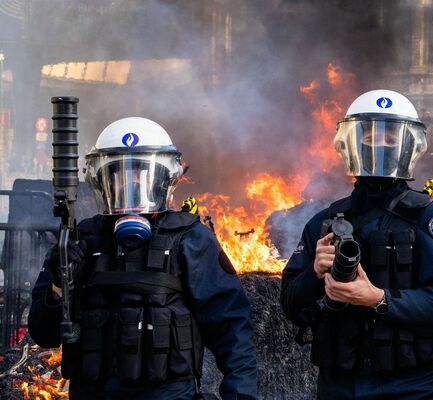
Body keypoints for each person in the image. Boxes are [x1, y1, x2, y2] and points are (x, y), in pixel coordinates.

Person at [28, 117, 259, 400]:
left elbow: (231, 327)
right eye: (120, 173)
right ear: (103, 181)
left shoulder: (190, 238)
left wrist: (240, 395)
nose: (132, 182)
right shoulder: (79, 241)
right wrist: (58, 284)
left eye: (141, 171)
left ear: (164, 179)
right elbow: (43, 334)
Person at [281, 89, 433, 399]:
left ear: (409, 145)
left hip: (413, 388)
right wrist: (314, 274)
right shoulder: (325, 221)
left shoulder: (430, 219)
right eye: (370, 137)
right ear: (352, 143)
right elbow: (290, 303)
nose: (380, 145)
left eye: (391, 138)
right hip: (340, 386)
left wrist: (378, 299)